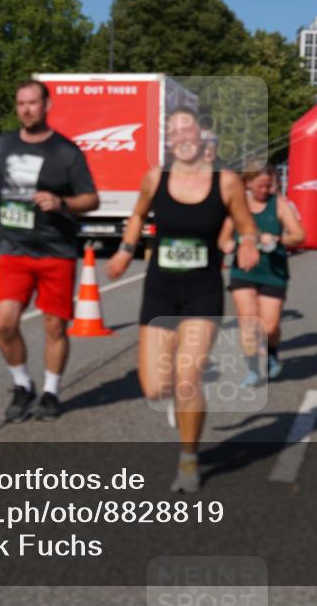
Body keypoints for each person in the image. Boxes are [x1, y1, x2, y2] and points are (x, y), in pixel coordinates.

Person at [106, 106, 259, 493]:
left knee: (188, 378)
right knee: (155, 387)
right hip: (160, 289)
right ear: (168, 141)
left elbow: (246, 225)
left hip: (202, 291)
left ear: (200, 134)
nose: (180, 136)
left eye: (186, 128)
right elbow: (138, 215)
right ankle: (176, 400)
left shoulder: (225, 182)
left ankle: (189, 460)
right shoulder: (155, 178)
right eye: (172, 131)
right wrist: (125, 249)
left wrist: (248, 244)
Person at [0, 80, 100, 423]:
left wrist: (61, 202)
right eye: (20, 103)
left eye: (32, 103)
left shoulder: (66, 152)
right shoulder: (5, 143)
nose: (26, 109)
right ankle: (23, 384)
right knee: (4, 322)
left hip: (56, 250)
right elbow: (1, 183)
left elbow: (91, 199)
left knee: (54, 327)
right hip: (14, 247)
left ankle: (51, 392)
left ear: (47, 106)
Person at [219, 163, 305, 386]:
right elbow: (224, 239)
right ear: (247, 183)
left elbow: (299, 235)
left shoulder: (279, 205)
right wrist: (232, 245)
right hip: (244, 272)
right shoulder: (238, 206)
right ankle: (252, 370)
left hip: (273, 272)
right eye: (261, 186)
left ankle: (272, 351)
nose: (265, 190)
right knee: (248, 323)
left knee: (270, 326)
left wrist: (276, 239)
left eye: (269, 186)